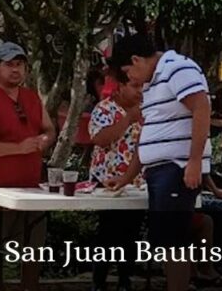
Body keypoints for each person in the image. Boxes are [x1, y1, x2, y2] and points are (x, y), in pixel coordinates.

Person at [106, 33, 211, 291]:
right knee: (166, 240)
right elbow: (150, 133)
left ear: (136, 60)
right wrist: (127, 177)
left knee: (173, 241)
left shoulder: (177, 68)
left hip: (176, 167)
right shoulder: (153, 82)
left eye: (127, 73)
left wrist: (194, 161)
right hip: (160, 170)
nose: (129, 80)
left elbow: (202, 107)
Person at [0, 42, 54, 291]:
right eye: (9, 64)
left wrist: (46, 140)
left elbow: (49, 128)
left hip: (29, 187)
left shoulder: (32, 98)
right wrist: (19, 147)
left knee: (33, 246)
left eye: (20, 64)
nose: (15, 70)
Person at [88, 71, 144, 291]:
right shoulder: (104, 108)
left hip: (136, 183)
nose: (139, 91)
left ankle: (125, 279)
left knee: (131, 233)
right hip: (107, 182)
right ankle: (99, 281)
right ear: (120, 86)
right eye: (135, 86)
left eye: (142, 87)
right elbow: (99, 138)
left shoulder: (146, 109)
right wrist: (128, 119)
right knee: (108, 233)